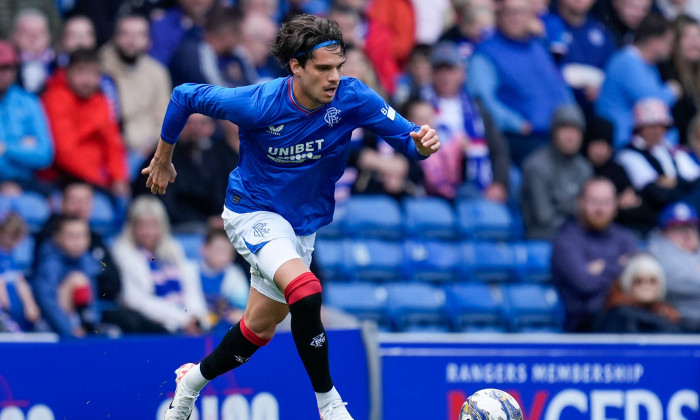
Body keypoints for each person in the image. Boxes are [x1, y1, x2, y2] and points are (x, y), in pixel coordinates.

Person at [142, 14, 439, 420]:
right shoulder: (259, 102)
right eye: (323, 69)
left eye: (338, 66)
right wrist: (163, 157)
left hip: (302, 228)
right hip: (253, 213)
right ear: (296, 66)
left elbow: (407, 140)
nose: (334, 77)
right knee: (306, 289)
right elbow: (184, 95)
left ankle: (190, 381)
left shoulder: (353, 98)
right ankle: (330, 404)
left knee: (257, 331)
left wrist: (422, 145)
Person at [468, 0, 573, 166]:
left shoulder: (539, 47)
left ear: (532, 16)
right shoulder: (485, 54)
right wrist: (517, 124)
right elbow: (481, 101)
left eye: (522, 12)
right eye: (510, 12)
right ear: (498, 15)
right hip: (519, 139)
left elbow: (559, 86)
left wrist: (572, 117)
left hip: (556, 134)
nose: (516, 18)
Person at [112, 195, 209, 335]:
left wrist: (196, 318)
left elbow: (191, 288)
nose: (147, 232)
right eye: (141, 225)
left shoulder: (173, 248)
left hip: (187, 324)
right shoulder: (124, 252)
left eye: (152, 225)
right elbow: (135, 300)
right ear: (132, 227)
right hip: (154, 327)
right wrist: (182, 319)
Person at [552, 177, 638, 332]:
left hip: (628, 317)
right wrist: (620, 265)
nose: (600, 209)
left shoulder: (624, 237)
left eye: (606, 202)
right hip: (585, 327)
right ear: (580, 202)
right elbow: (585, 284)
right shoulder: (566, 240)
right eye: (594, 202)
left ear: (615, 205)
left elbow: (639, 272)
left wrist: (603, 267)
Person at [40, 48, 130, 197]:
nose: (87, 80)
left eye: (94, 74)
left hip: (97, 178)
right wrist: (102, 181)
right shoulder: (54, 99)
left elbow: (113, 144)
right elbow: (64, 153)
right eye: (81, 72)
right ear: (67, 72)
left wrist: (119, 178)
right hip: (61, 179)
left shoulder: (100, 101)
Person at [100, 14, 172, 176]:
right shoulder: (100, 68)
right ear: (115, 37)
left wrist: (151, 145)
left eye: (139, 35)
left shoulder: (157, 72)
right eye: (125, 34)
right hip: (106, 148)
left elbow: (164, 119)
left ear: (148, 41)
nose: (132, 41)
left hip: (145, 150)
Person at [596, 13, 680, 148]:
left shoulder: (650, 66)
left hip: (642, 141)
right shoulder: (625, 62)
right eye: (668, 43)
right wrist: (672, 91)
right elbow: (651, 103)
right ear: (655, 42)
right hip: (621, 142)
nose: (670, 50)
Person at [615, 98, 700, 229]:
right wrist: (678, 184)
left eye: (661, 126)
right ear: (639, 128)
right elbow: (658, 195)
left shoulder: (666, 149)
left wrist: (675, 183)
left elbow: (693, 179)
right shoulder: (629, 155)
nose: (657, 131)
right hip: (654, 220)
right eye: (651, 126)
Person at [521, 104, 593, 239]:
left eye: (576, 130)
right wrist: (576, 209)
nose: (571, 136)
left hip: (579, 235)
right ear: (554, 132)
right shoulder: (536, 166)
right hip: (544, 235)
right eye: (565, 128)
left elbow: (591, 211)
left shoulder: (584, 167)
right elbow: (543, 217)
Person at [32, 216, 101, 338]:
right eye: (71, 236)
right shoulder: (49, 262)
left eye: (82, 236)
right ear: (57, 237)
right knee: (77, 279)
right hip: (51, 327)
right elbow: (47, 302)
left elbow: (92, 300)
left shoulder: (87, 260)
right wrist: (69, 331)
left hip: (79, 327)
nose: (78, 241)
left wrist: (91, 328)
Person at [0, 40, 53, 190]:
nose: (2, 73)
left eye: (7, 67)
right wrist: (22, 145)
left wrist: (6, 148)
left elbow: (44, 155)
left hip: (27, 183)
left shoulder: (29, 101)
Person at [596, 253, 681, 333]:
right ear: (628, 283)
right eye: (638, 281)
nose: (646, 286)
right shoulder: (620, 314)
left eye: (652, 281)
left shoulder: (666, 313)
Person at [648, 201, 700, 331]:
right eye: (678, 228)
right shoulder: (658, 250)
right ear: (664, 233)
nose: (686, 234)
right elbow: (672, 282)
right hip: (678, 322)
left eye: (690, 227)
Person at [196, 227, 249, 333]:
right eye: (219, 250)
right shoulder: (191, 271)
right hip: (199, 328)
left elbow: (242, 308)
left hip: (226, 328)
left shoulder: (234, 273)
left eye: (228, 252)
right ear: (204, 249)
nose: (223, 257)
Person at [0, 211, 41, 332]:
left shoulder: (11, 257)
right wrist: (5, 306)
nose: (15, 242)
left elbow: (20, 281)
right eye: (12, 236)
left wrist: (30, 304)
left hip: (16, 309)